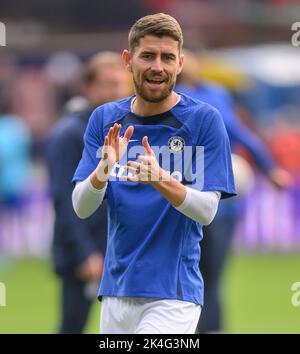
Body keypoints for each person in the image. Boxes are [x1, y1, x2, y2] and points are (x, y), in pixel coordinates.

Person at [72, 13, 236, 334]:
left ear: (180, 63)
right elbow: (81, 206)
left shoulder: (204, 120)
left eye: (167, 57)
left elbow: (207, 211)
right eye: (147, 56)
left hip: (173, 294)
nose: (157, 66)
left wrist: (159, 178)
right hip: (116, 292)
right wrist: (103, 169)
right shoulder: (105, 119)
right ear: (128, 60)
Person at [176, 49, 293, 333]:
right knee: (203, 276)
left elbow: (239, 133)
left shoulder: (212, 95)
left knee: (205, 276)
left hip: (212, 202)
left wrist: (268, 167)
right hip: (190, 201)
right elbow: (242, 134)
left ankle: (204, 329)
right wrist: (269, 169)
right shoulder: (202, 96)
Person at [46, 51, 130, 334]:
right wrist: (85, 253)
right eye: (107, 84)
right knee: (72, 326)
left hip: (117, 249)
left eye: (120, 84)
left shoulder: (126, 131)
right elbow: (63, 198)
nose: (115, 91)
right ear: (90, 87)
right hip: (83, 252)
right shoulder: (70, 133)